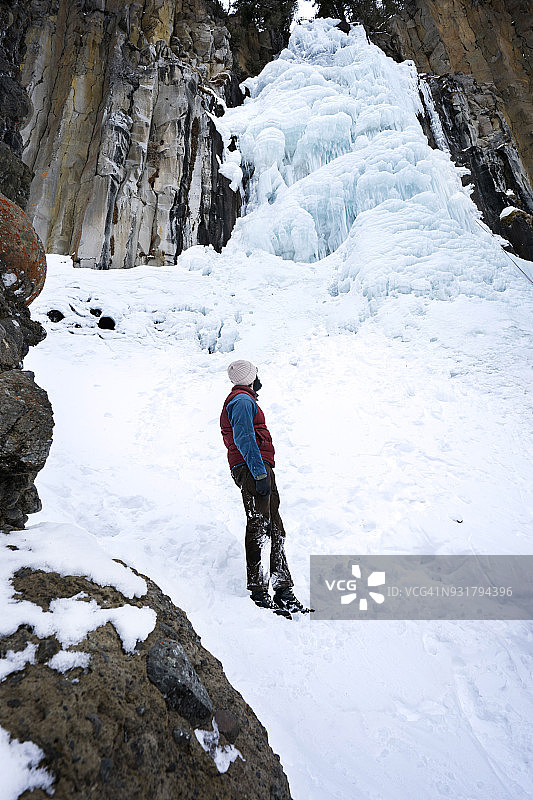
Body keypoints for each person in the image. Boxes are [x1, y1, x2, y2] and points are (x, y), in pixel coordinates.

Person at [220, 359, 308, 614]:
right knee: (260, 526)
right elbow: (245, 436)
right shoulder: (242, 401)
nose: (259, 378)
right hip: (253, 468)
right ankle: (259, 591)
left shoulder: (244, 400)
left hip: (255, 468)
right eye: (256, 374)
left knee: (274, 528)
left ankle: (283, 589)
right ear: (249, 377)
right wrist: (259, 474)